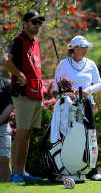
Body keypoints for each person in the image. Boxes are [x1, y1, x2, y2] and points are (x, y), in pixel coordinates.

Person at [1, 10, 45, 183]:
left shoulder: (37, 42)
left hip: (36, 93)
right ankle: (15, 174)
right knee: (22, 133)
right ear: (24, 23)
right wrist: (20, 75)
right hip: (23, 94)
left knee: (28, 133)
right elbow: (5, 60)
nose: (37, 25)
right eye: (34, 22)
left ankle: (22, 171)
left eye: (39, 22)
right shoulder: (18, 41)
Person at [54, 35, 101, 181]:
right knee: (70, 136)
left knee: (90, 136)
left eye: (86, 47)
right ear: (74, 48)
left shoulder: (91, 64)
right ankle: (68, 168)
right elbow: (57, 87)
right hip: (68, 107)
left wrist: (89, 90)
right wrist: (69, 91)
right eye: (82, 47)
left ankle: (93, 169)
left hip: (87, 105)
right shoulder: (63, 64)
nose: (85, 49)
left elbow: (99, 84)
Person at [0, 77, 14, 182]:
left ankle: (6, 187)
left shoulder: (6, 84)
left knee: (5, 159)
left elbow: (10, 105)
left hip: (3, 126)